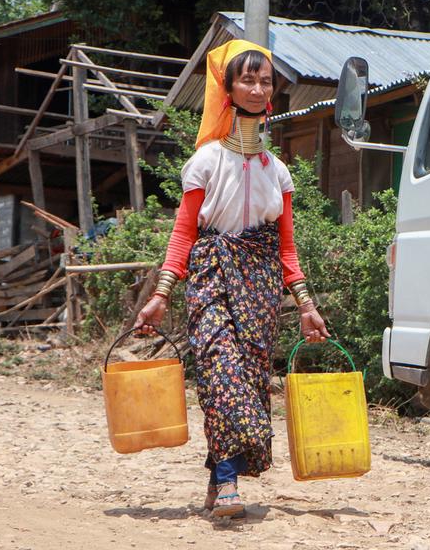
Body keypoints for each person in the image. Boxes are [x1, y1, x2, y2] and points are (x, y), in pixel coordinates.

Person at [133, 39, 329, 518]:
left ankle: (218, 470)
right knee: (221, 373)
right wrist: (161, 294)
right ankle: (226, 484)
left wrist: (305, 304)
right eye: (247, 78)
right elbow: (183, 234)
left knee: (248, 381)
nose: (258, 88)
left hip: (260, 286)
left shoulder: (277, 172)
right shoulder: (204, 163)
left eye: (265, 80)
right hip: (211, 277)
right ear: (228, 87)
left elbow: (286, 248)